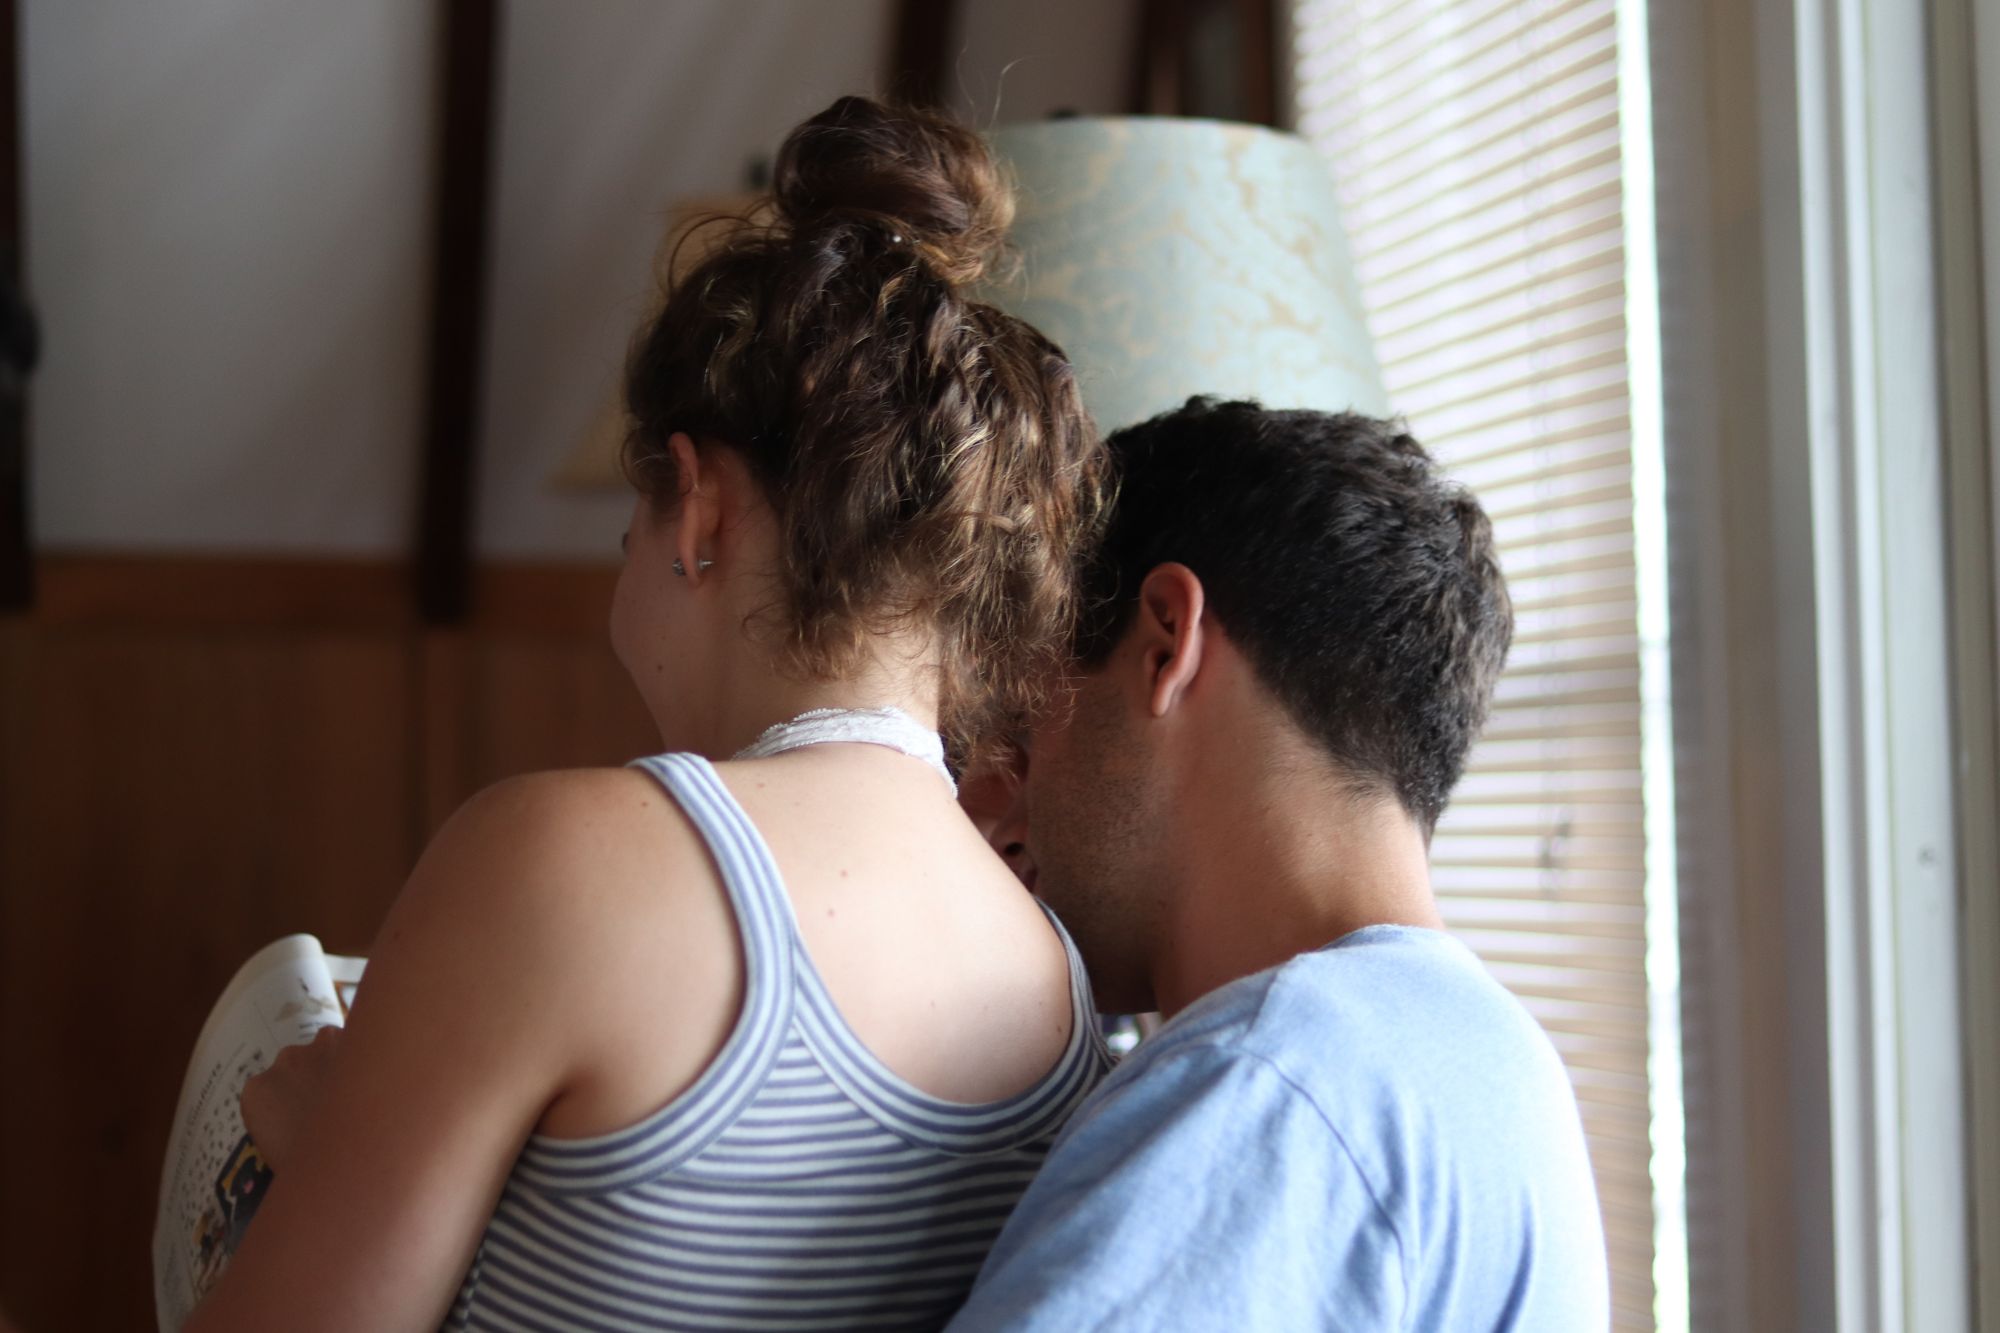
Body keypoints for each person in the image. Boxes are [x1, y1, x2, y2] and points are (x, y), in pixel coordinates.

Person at [189, 95, 1112, 1333]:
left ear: (698, 509)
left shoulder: (561, 860)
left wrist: (318, 1146)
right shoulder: (1058, 977)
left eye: (627, 528)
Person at [950, 398, 1610, 1330]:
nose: (1003, 804)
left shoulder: (1269, 1082)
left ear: (1163, 644)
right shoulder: (1496, 1065)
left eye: (1028, 717)